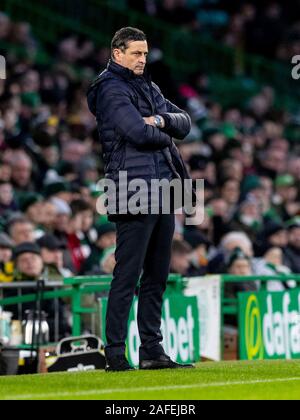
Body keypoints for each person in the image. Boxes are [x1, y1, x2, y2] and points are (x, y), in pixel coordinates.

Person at [87, 27, 195, 371]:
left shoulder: (148, 86)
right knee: (128, 274)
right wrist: (164, 133)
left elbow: (186, 122)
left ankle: (152, 351)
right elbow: (136, 132)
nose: (142, 59)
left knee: (158, 275)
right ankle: (115, 353)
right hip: (130, 187)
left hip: (163, 186)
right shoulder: (108, 87)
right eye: (136, 53)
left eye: (145, 53)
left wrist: (160, 120)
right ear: (117, 53)